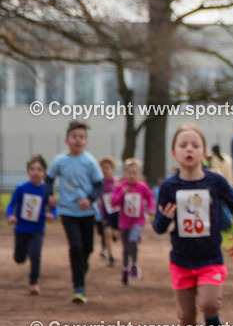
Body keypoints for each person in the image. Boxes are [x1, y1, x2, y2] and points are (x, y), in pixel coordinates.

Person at [153, 124, 233, 326]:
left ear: (204, 152)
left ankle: (212, 316)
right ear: (174, 153)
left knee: (208, 302)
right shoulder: (169, 187)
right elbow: (158, 226)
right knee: (184, 314)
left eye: (195, 145)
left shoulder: (215, 182)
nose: (189, 150)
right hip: (181, 260)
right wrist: (165, 219)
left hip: (210, 258)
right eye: (183, 145)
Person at [46, 120, 105, 303]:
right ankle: (79, 287)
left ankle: (83, 263)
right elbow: (48, 180)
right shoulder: (60, 161)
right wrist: (50, 196)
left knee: (88, 247)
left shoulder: (89, 161)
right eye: (74, 137)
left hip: (87, 212)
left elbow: (99, 184)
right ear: (67, 140)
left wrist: (90, 199)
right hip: (67, 210)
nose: (78, 140)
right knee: (76, 247)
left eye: (81, 137)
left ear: (86, 141)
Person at [7, 155, 52, 294]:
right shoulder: (21, 188)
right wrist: (10, 215)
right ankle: (23, 252)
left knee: (35, 254)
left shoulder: (46, 190)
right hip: (21, 228)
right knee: (19, 259)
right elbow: (12, 204)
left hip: (37, 228)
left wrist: (53, 215)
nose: (36, 172)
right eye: (32, 169)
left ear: (44, 173)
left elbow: (53, 207)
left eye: (39, 169)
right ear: (28, 172)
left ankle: (34, 282)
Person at [111, 158, 156, 286]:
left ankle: (134, 265)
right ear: (125, 174)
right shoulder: (121, 187)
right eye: (129, 173)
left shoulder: (142, 186)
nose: (132, 176)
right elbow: (114, 203)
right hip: (125, 222)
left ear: (139, 174)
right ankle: (125, 270)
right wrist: (121, 194)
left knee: (133, 240)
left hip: (138, 220)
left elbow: (150, 197)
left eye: (135, 173)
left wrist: (151, 208)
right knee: (125, 248)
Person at [97, 157, 118, 267]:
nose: (104, 171)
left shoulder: (116, 182)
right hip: (105, 213)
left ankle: (116, 235)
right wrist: (98, 201)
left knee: (117, 235)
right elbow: (96, 195)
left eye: (107, 168)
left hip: (117, 213)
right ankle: (110, 256)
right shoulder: (100, 184)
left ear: (112, 170)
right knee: (107, 234)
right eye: (102, 169)